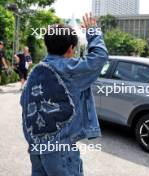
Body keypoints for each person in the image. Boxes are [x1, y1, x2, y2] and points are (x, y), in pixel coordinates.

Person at [20, 13, 108, 175]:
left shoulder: (35, 72)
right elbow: (99, 57)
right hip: (60, 148)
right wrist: (93, 32)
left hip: (36, 148)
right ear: (70, 49)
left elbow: (24, 105)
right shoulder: (69, 69)